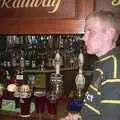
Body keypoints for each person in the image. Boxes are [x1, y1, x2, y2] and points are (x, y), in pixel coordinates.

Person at [60, 10, 120, 120]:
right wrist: (79, 118)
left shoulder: (114, 66)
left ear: (109, 34)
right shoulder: (104, 63)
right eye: (85, 32)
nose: (83, 38)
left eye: (90, 32)